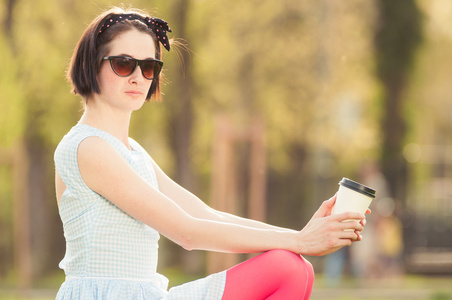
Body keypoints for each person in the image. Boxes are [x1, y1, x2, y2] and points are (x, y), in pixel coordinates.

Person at [54, 6, 368, 300]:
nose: (138, 77)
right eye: (124, 64)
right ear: (93, 64)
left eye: (149, 66)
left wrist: (303, 234)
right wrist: (301, 241)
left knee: (296, 268)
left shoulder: (130, 151)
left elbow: (205, 215)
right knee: (288, 266)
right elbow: (188, 232)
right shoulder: (87, 147)